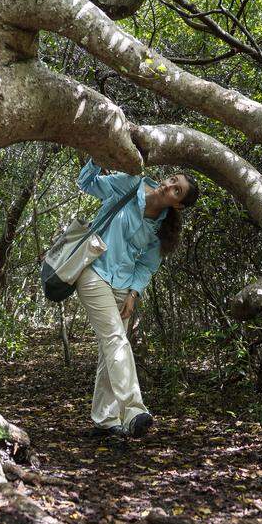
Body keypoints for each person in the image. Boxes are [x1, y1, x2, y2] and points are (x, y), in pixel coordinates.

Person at [75, 157, 200, 439]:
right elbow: (87, 183)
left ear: (177, 204)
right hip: (93, 270)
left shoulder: (162, 229)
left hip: (123, 285)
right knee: (114, 340)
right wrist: (98, 157)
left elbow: (147, 265)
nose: (168, 185)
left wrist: (134, 293)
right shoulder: (132, 185)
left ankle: (105, 420)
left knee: (111, 352)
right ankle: (133, 411)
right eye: (171, 180)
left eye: (176, 190)